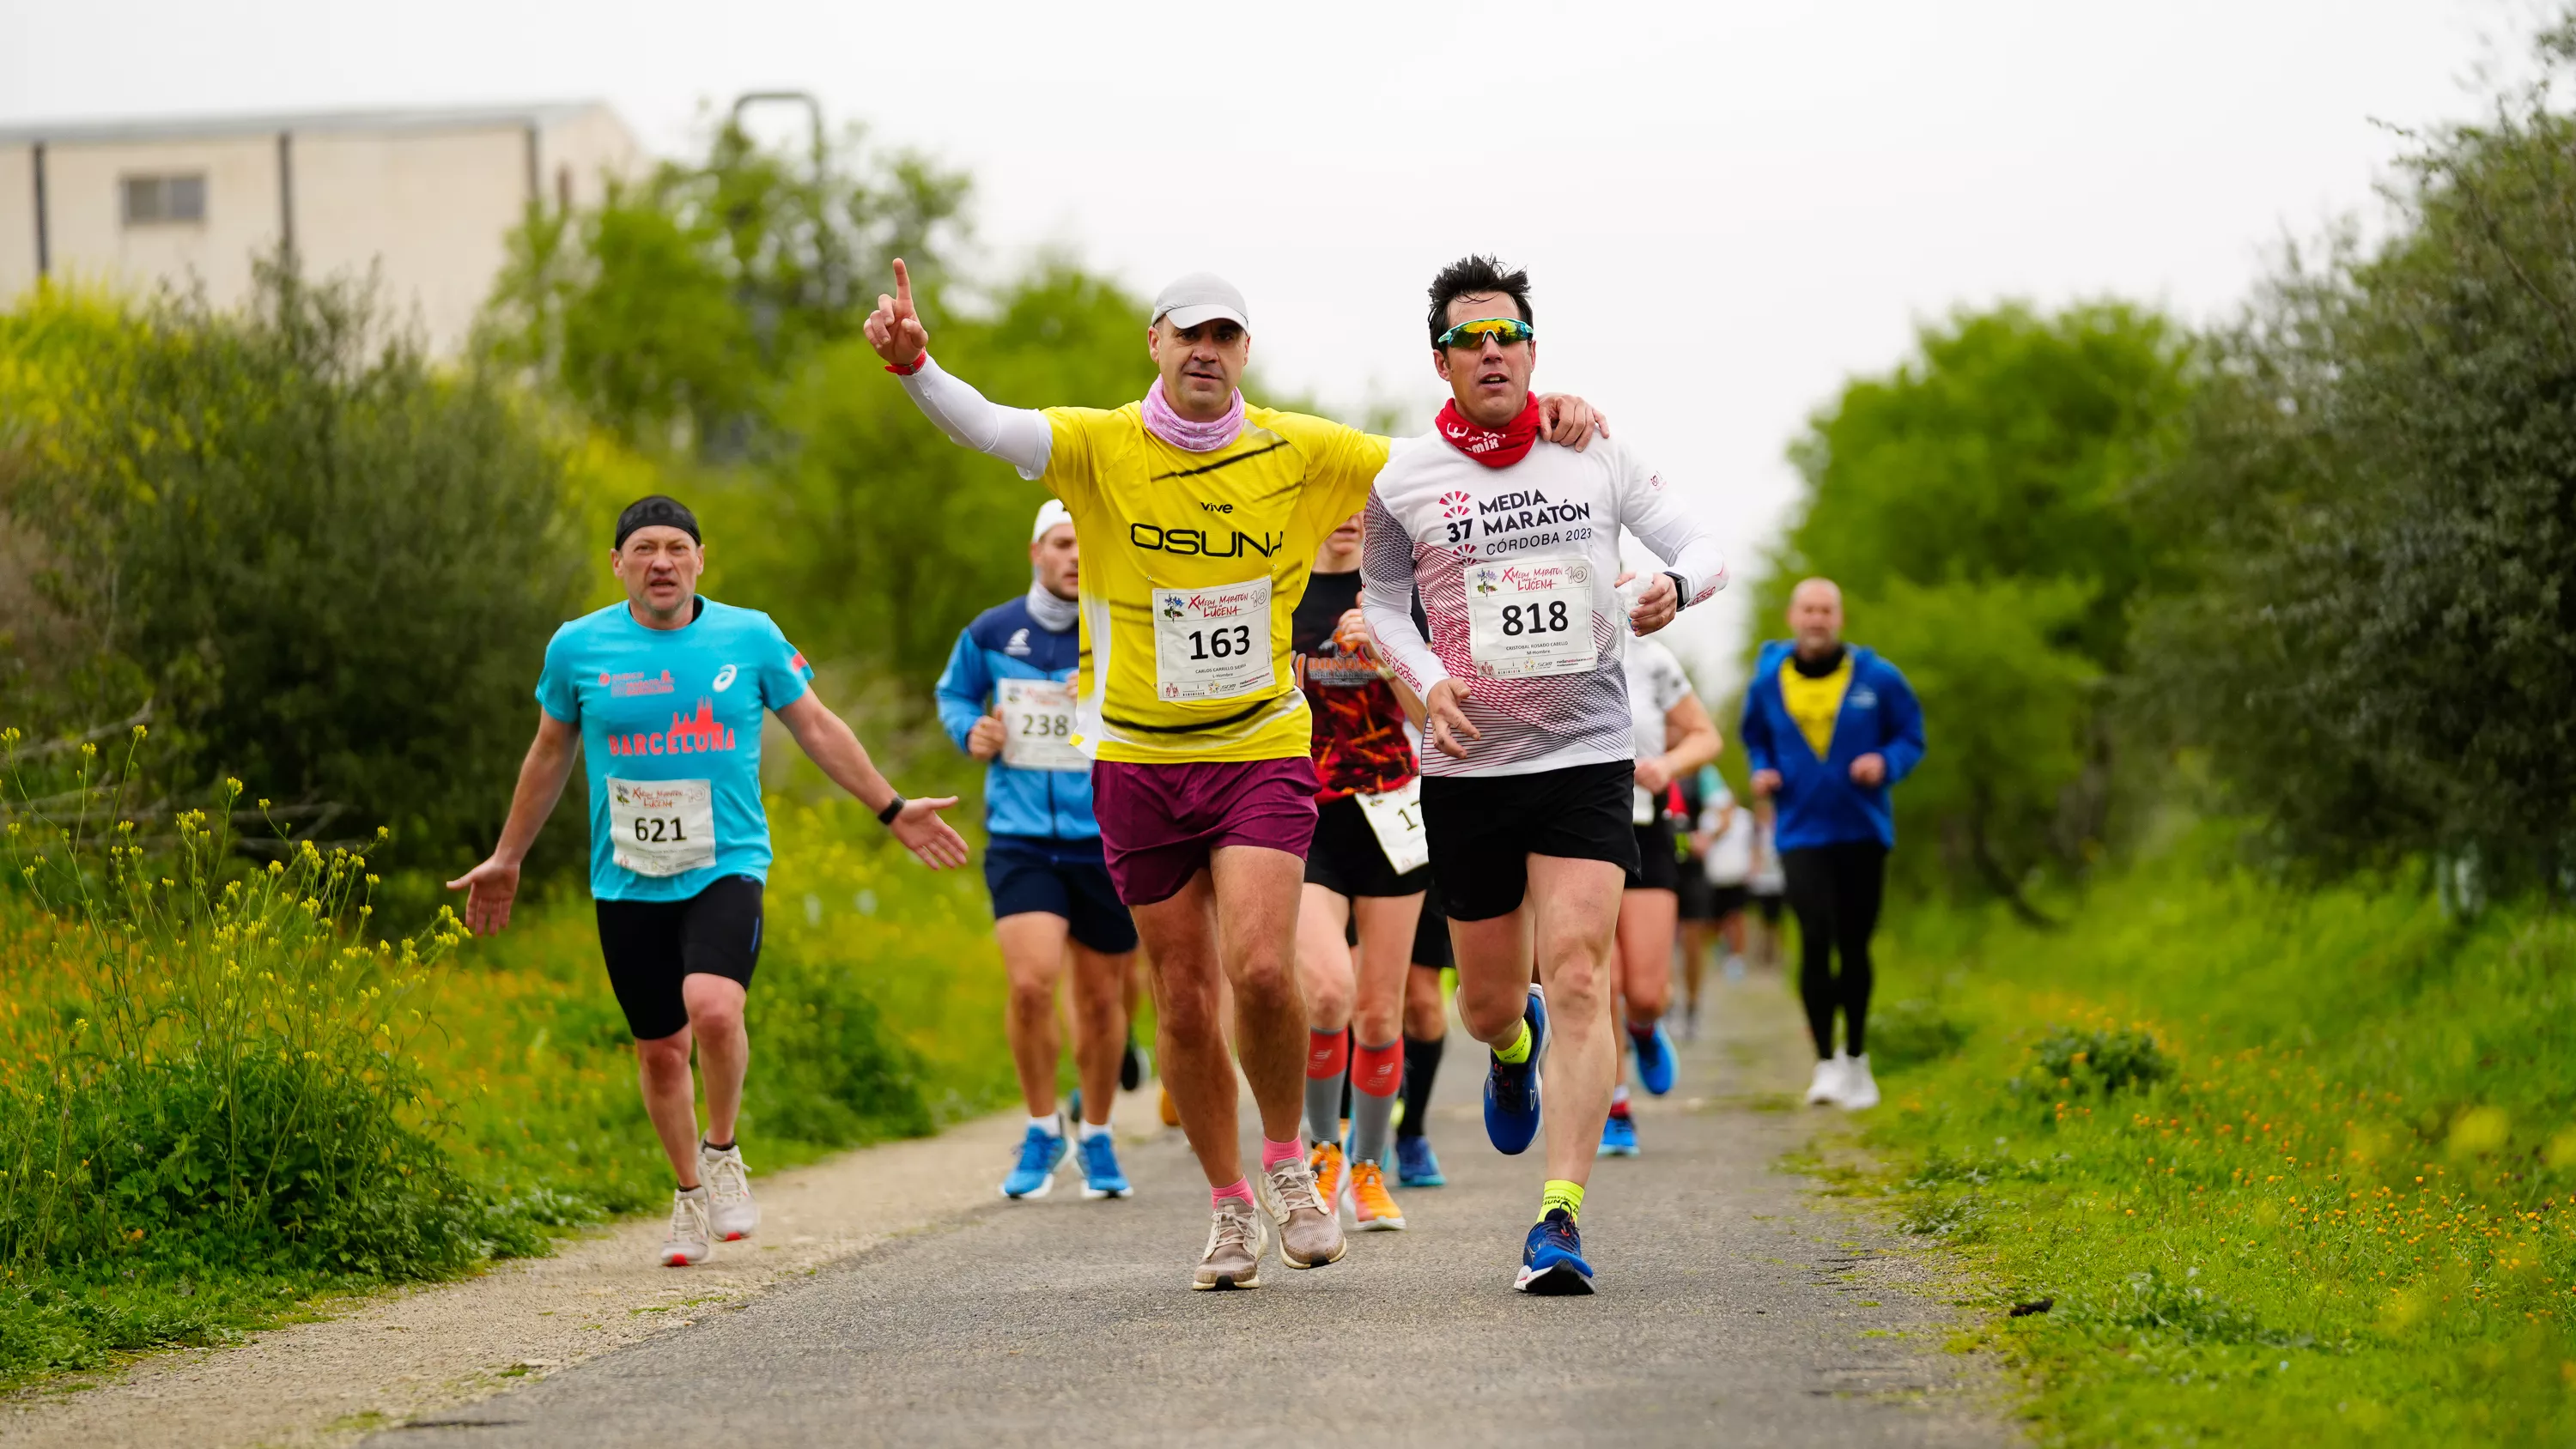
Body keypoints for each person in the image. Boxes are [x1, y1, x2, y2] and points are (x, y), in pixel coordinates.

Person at [864, 259, 1605, 1290]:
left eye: (1225, 337)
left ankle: (1289, 1161)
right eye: (1188, 335)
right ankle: (1227, 1205)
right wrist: (916, 366)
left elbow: (1442, 465)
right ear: (1157, 345)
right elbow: (989, 425)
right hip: (1137, 754)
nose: (1206, 351)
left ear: (1244, 353)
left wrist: (1536, 410)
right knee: (1181, 994)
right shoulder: (1099, 443)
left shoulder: (1301, 448)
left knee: (1263, 968)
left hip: (1259, 741)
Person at [447, 496, 969, 1268]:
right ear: (618, 564)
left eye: (678, 548)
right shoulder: (578, 648)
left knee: (715, 1009)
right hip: (625, 876)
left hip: (726, 862)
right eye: (645, 549)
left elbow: (817, 725)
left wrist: (890, 808)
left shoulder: (750, 636)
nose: (662, 561)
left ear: (700, 560)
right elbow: (550, 753)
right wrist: (508, 855)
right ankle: (690, 1193)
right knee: (660, 1050)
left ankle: (723, 1151)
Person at [1362, 255, 1725, 1294]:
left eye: (1508, 335)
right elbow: (1383, 605)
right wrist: (1425, 679)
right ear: (1441, 358)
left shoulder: (1591, 444)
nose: (1491, 351)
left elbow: (1702, 545)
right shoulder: (1403, 478)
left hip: (1587, 756)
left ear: (1532, 350)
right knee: (1488, 1003)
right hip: (1470, 764)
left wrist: (1672, 584)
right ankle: (1507, 1044)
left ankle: (1559, 1217)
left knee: (1578, 974)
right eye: (1470, 338)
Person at [935, 500, 1139, 1201]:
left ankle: (1101, 1134)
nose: (1076, 556)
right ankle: (1040, 1126)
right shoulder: (993, 631)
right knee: (1029, 985)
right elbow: (955, 696)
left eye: (1087, 544)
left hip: (1106, 837)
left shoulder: (1122, 624)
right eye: (1061, 544)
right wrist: (972, 732)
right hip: (1021, 837)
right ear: (1036, 553)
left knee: (1103, 998)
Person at [1289, 510, 1428, 1232]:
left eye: (1358, 511)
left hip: (1392, 816)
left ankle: (1369, 1171)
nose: (1342, 522)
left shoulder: (1397, 600)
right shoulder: (1279, 594)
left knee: (1379, 1009)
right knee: (1327, 993)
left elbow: (1431, 716)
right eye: (1331, 504)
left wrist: (1387, 659)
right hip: (1305, 815)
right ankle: (1322, 1152)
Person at [1740, 577, 1924, 1113]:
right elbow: (1754, 737)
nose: (1817, 619)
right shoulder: (1767, 682)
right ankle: (1824, 1064)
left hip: (1863, 829)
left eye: (1826, 610)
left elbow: (1910, 735)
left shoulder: (1878, 677)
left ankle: (1858, 1060)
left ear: (1838, 618)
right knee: (1815, 939)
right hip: (1800, 832)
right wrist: (1762, 770)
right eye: (1808, 609)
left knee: (1854, 944)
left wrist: (1886, 763)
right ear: (1792, 617)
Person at [1601, 635, 1718, 1156]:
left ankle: (1644, 1027)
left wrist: (1667, 767)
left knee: (1645, 991)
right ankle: (1615, 1105)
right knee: (1602, 978)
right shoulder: (1545, 640)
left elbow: (1704, 736)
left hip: (1647, 827)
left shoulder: (1645, 651)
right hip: (1578, 829)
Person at [1684, 767, 1757, 1029]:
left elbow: (1726, 815)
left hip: (1692, 870)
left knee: (1696, 935)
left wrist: (1704, 839)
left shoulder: (1702, 772)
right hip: (1644, 861)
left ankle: (1691, 1007)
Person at [1394, 880, 1452, 1189]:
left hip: (1417, 851)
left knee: (1422, 1005)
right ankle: (1350, 1132)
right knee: (1351, 995)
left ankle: (1412, 1132)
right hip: (1338, 846)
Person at [1745, 796, 1788, 971]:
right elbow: (1754, 853)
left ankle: (1775, 952)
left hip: (1778, 880)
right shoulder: (1756, 831)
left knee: (1777, 919)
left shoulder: (1779, 828)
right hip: (1762, 881)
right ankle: (1762, 951)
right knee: (1763, 918)